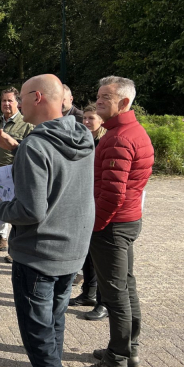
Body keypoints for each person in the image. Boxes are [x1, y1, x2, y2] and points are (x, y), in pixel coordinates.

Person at [0, 74, 95, 367]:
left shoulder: (36, 145)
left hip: (38, 257)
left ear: (37, 97)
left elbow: (31, 211)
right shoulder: (83, 136)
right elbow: (56, 167)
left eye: (21, 97)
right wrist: (16, 146)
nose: (18, 104)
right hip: (71, 252)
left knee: (40, 345)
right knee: (53, 327)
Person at [79, 76, 154, 367]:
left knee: (115, 294)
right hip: (126, 221)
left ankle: (116, 362)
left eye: (105, 98)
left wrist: (94, 227)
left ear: (123, 102)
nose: (98, 102)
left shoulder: (119, 138)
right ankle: (128, 350)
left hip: (112, 226)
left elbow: (112, 194)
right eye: (98, 96)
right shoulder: (130, 131)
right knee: (126, 286)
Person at [0, 87, 33, 255]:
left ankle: (17, 245)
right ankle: (0, 239)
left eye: (10, 100)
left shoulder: (26, 123)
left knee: (16, 209)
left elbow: (29, 150)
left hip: (15, 175)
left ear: (18, 103)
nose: (6, 104)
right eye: (4, 100)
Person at [70, 104, 109, 321]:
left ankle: (104, 302)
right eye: (84, 118)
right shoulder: (83, 140)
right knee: (87, 252)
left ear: (101, 120)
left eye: (91, 118)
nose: (86, 122)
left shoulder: (104, 142)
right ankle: (88, 293)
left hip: (98, 202)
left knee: (100, 257)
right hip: (83, 200)